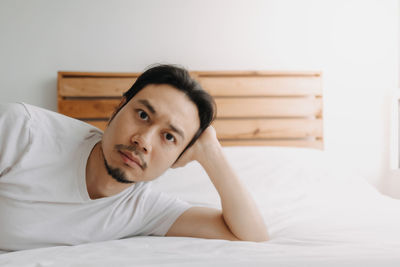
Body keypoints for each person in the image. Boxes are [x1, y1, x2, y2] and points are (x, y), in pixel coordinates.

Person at [0, 64, 268, 252]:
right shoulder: (23, 131)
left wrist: (212, 154)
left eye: (169, 137)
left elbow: (251, 236)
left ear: (179, 157)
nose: (143, 140)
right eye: (142, 115)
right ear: (119, 107)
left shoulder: (143, 209)